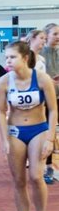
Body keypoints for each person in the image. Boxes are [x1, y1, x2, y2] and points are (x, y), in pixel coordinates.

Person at [0, 40, 57, 211]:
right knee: (19, 180)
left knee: (36, 176)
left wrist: (50, 139)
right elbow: (0, 111)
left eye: (12, 57)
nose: (8, 61)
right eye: (6, 57)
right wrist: (4, 139)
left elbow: (53, 109)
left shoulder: (42, 79)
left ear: (25, 58)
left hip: (38, 129)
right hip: (15, 131)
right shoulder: (4, 82)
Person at [40, 23, 59, 184]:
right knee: (48, 132)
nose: (58, 37)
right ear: (46, 36)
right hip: (46, 99)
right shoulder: (40, 55)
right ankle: (47, 166)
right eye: (55, 34)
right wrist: (48, 81)